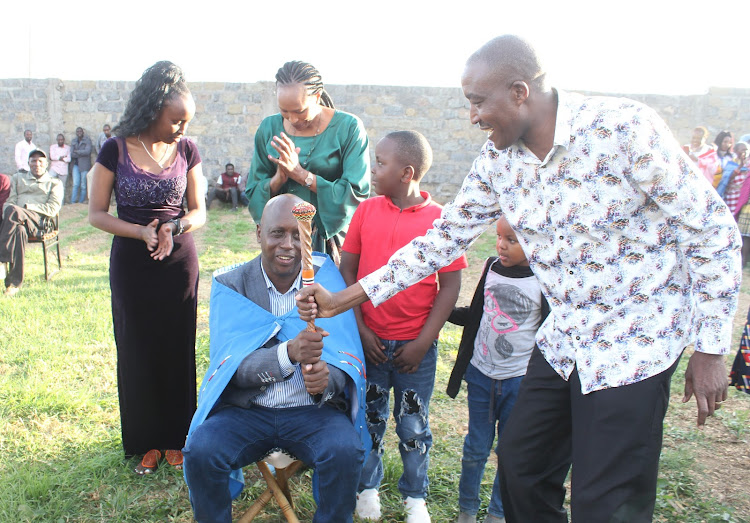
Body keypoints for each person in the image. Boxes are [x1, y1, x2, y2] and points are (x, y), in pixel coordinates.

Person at [297, 35, 741, 523]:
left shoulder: (622, 128)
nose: (473, 117)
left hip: (634, 341)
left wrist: (710, 347)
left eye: (477, 101)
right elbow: (441, 240)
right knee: (521, 467)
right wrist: (346, 298)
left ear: (519, 91)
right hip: (564, 339)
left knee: (606, 499)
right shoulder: (498, 161)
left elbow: (713, 231)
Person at [183, 194, 368, 523]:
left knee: (345, 450)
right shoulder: (231, 285)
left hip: (313, 412)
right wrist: (288, 353)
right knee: (201, 450)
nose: (288, 244)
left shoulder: (326, 284)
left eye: (298, 234)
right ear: (258, 234)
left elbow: (344, 355)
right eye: (277, 233)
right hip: (248, 411)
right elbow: (233, 369)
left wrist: (328, 379)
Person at [339, 131, 466, 523]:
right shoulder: (366, 211)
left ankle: (415, 498)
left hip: (416, 349)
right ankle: (368, 488)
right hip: (370, 342)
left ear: (407, 172)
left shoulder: (439, 221)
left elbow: (452, 286)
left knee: (413, 424)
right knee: (369, 419)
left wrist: (423, 341)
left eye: (380, 162)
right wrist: (361, 330)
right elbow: (348, 270)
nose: (373, 169)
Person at [88, 61, 206, 474]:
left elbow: (199, 211)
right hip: (132, 262)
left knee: (177, 348)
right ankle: (145, 442)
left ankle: (177, 438)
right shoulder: (114, 148)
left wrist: (174, 226)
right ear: (154, 108)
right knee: (137, 348)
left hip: (178, 262)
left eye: (187, 121)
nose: (182, 129)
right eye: (176, 120)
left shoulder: (187, 150)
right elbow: (96, 214)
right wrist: (140, 233)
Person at [449, 216, 549, 523]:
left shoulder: (544, 279)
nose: (501, 245)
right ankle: (466, 511)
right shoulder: (491, 267)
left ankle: (497, 513)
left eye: (511, 240)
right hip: (480, 374)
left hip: (518, 380)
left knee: (510, 452)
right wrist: (441, 311)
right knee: (475, 448)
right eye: (499, 237)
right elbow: (476, 313)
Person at [245, 60, 370, 264]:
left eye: (300, 111)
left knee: (324, 293)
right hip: (281, 240)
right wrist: (279, 178)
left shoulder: (349, 128)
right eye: (284, 111)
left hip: (327, 237)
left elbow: (356, 193)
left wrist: (302, 176)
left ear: (317, 97)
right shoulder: (268, 128)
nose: (292, 119)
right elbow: (253, 190)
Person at [0, 149, 63, 296]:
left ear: (46, 164)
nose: (37, 164)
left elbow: (53, 208)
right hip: (18, 221)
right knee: (18, 230)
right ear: (28, 163)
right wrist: (13, 211)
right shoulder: (17, 179)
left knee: (14, 211)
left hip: (41, 223)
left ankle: (2, 259)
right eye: (33, 161)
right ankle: (13, 284)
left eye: (40, 161)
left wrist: (28, 208)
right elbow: (9, 202)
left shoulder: (54, 182)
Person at [721, 141, 748, 215]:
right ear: (735, 151)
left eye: (746, 150)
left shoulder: (748, 164)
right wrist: (740, 166)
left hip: (743, 195)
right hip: (731, 195)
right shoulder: (730, 162)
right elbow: (727, 178)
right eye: (742, 150)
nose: (745, 152)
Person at [91, 124, 114, 200]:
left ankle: (113, 198)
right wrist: (101, 154)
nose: (106, 132)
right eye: (104, 130)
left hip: (114, 161)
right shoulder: (101, 136)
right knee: (104, 180)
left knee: (114, 180)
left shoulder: (114, 137)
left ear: (110, 129)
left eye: (107, 130)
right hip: (104, 161)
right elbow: (97, 146)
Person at [70, 127, 92, 203]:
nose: (79, 132)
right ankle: (72, 202)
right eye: (77, 131)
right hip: (75, 165)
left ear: (83, 132)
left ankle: (81, 202)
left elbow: (87, 152)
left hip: (84, 165)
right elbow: (72, 154)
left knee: (83, 185)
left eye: (80, 131)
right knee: (75, 184)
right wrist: (80, 153)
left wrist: (77, 152)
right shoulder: (73, 141)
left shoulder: (87, 140)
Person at [49, 133, 71, 200]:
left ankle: (61, 203)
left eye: (61, 140)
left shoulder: (68, 148)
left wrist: (59, 158)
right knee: (49, 183)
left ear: (64, 140)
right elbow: (52, 157)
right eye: (59, 140)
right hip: (54, 168)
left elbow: (69, 159)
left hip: (63, 170)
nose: (60, 141)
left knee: (62, 187)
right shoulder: (53, 147)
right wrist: (62, 157)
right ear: (57, 140)